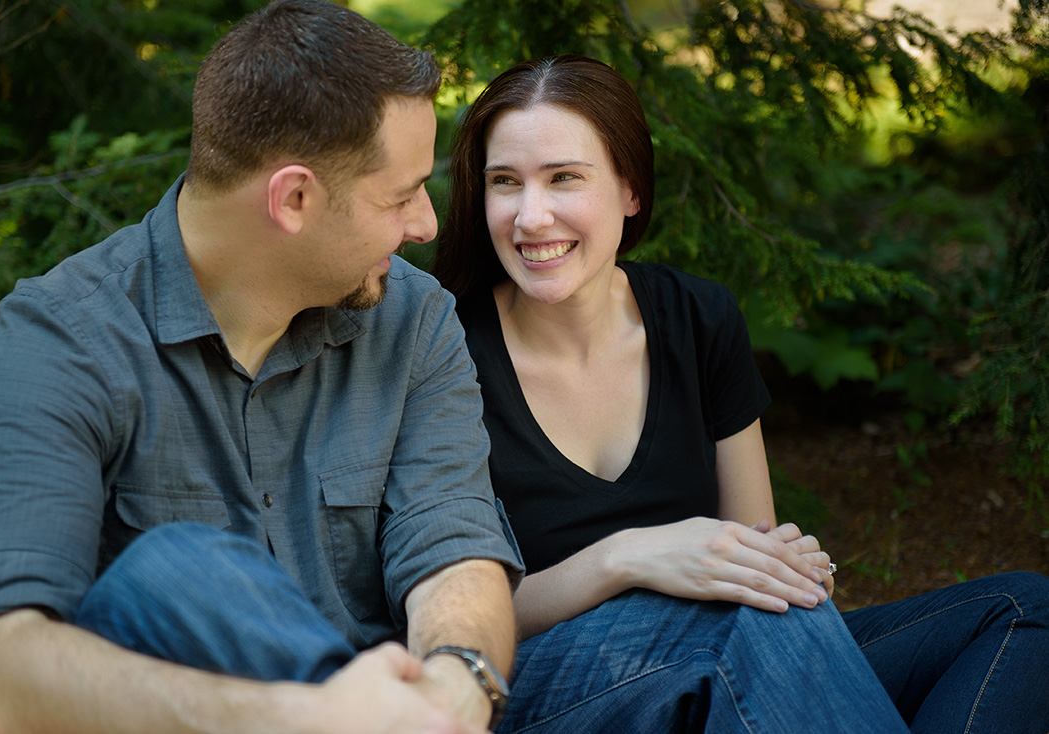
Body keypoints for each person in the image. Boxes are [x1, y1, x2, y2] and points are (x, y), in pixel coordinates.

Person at [0, 2, 525, 732]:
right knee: (179, 568)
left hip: (402, 711)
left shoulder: (413, 320)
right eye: (401, 195)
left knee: (690, 642)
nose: (427, 224)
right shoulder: (62, 339)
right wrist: (311, 717)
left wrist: (455, 683)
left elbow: (453, 547)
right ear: (293, 198)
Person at [432, 54, 1049, 733]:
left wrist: (785, 565)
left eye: (564, 178)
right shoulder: (445, 353)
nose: (532, 215)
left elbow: (752, 554)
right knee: (730, 635)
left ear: (631, 189)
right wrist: (628, 558)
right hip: (537, 686)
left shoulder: (700, 319)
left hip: (719, 660)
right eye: (505, 182)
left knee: (1022, 610)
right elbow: (446, 618)